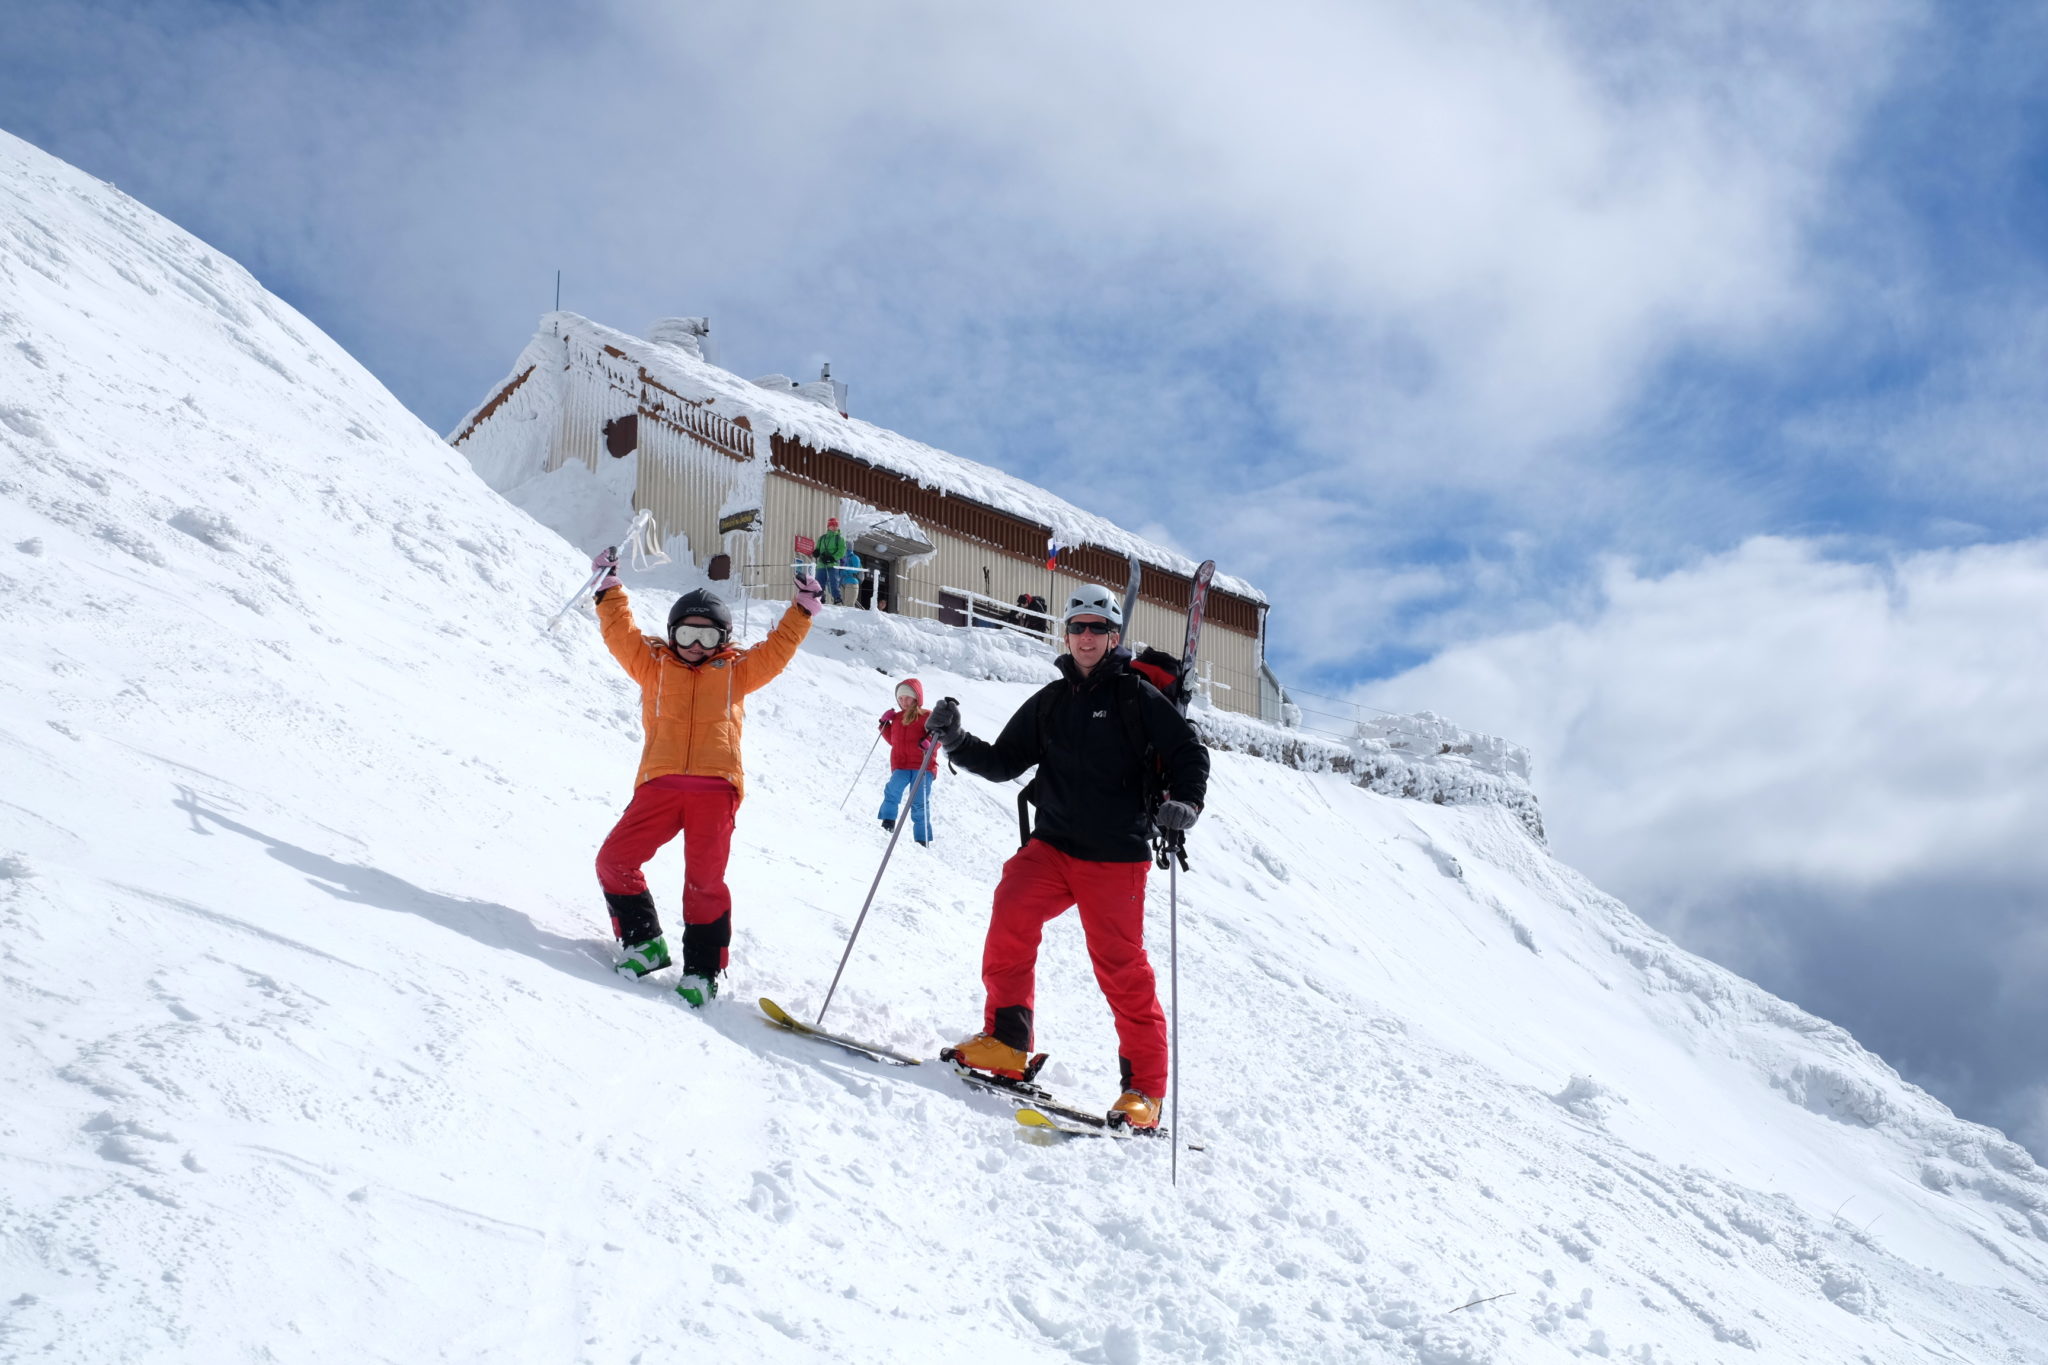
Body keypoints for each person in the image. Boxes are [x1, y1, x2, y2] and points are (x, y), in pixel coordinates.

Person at [926, 583, 1207, 1130]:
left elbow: (1187, 753)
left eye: (1096, 629)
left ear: (1113, 637)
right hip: (1052, 847)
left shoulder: (1135, 697)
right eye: (1077, 627)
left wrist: (1185, 803)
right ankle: (1008, 1044)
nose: (1085, 637)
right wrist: (956, 740)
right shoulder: (1051, 701)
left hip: (1115, 856)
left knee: (1121, 968)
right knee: (1010, 911)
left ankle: (1144, 1093)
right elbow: (1006, 761)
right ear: (1065, 633)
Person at [589, 549, 825, 1006]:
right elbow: (621, 635)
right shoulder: (652, 665)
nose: (695, 644)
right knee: (614, 860)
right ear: (672, 633)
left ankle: (702, 971)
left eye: (708, 635)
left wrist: (801, 610)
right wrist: (608, 588)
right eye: (686, 633)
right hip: (658, 786)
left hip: (715, 792)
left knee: (703, 882)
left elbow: (776, 650)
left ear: (723, 638)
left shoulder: (736, 672)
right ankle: (644, 942)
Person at [876, 678, 937, 845]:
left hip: (922, 766)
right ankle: (888, 822)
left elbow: (939, 738)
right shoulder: (896, 718)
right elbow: (893, 741)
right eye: (900, 698)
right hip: (901, 765)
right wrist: (884, 724)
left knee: (918, 803)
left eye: (908, 697)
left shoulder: (927, 716)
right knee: (892, 791)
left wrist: (929, 743)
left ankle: (922, 838)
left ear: (917, 698)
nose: (904, 701)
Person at [814, 517, 848, 591]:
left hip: (833, 564)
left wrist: (832, 558)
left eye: (836, 525)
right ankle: (820, 598)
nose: (834, 527)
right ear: (828, 526)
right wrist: (816, 552)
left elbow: (842, 551)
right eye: (832, 525)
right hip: (821, 563)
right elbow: (818, 549)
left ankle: (837, 599)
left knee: (834, 582)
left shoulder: (840, 538)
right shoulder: (822, 538)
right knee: (819, 582)